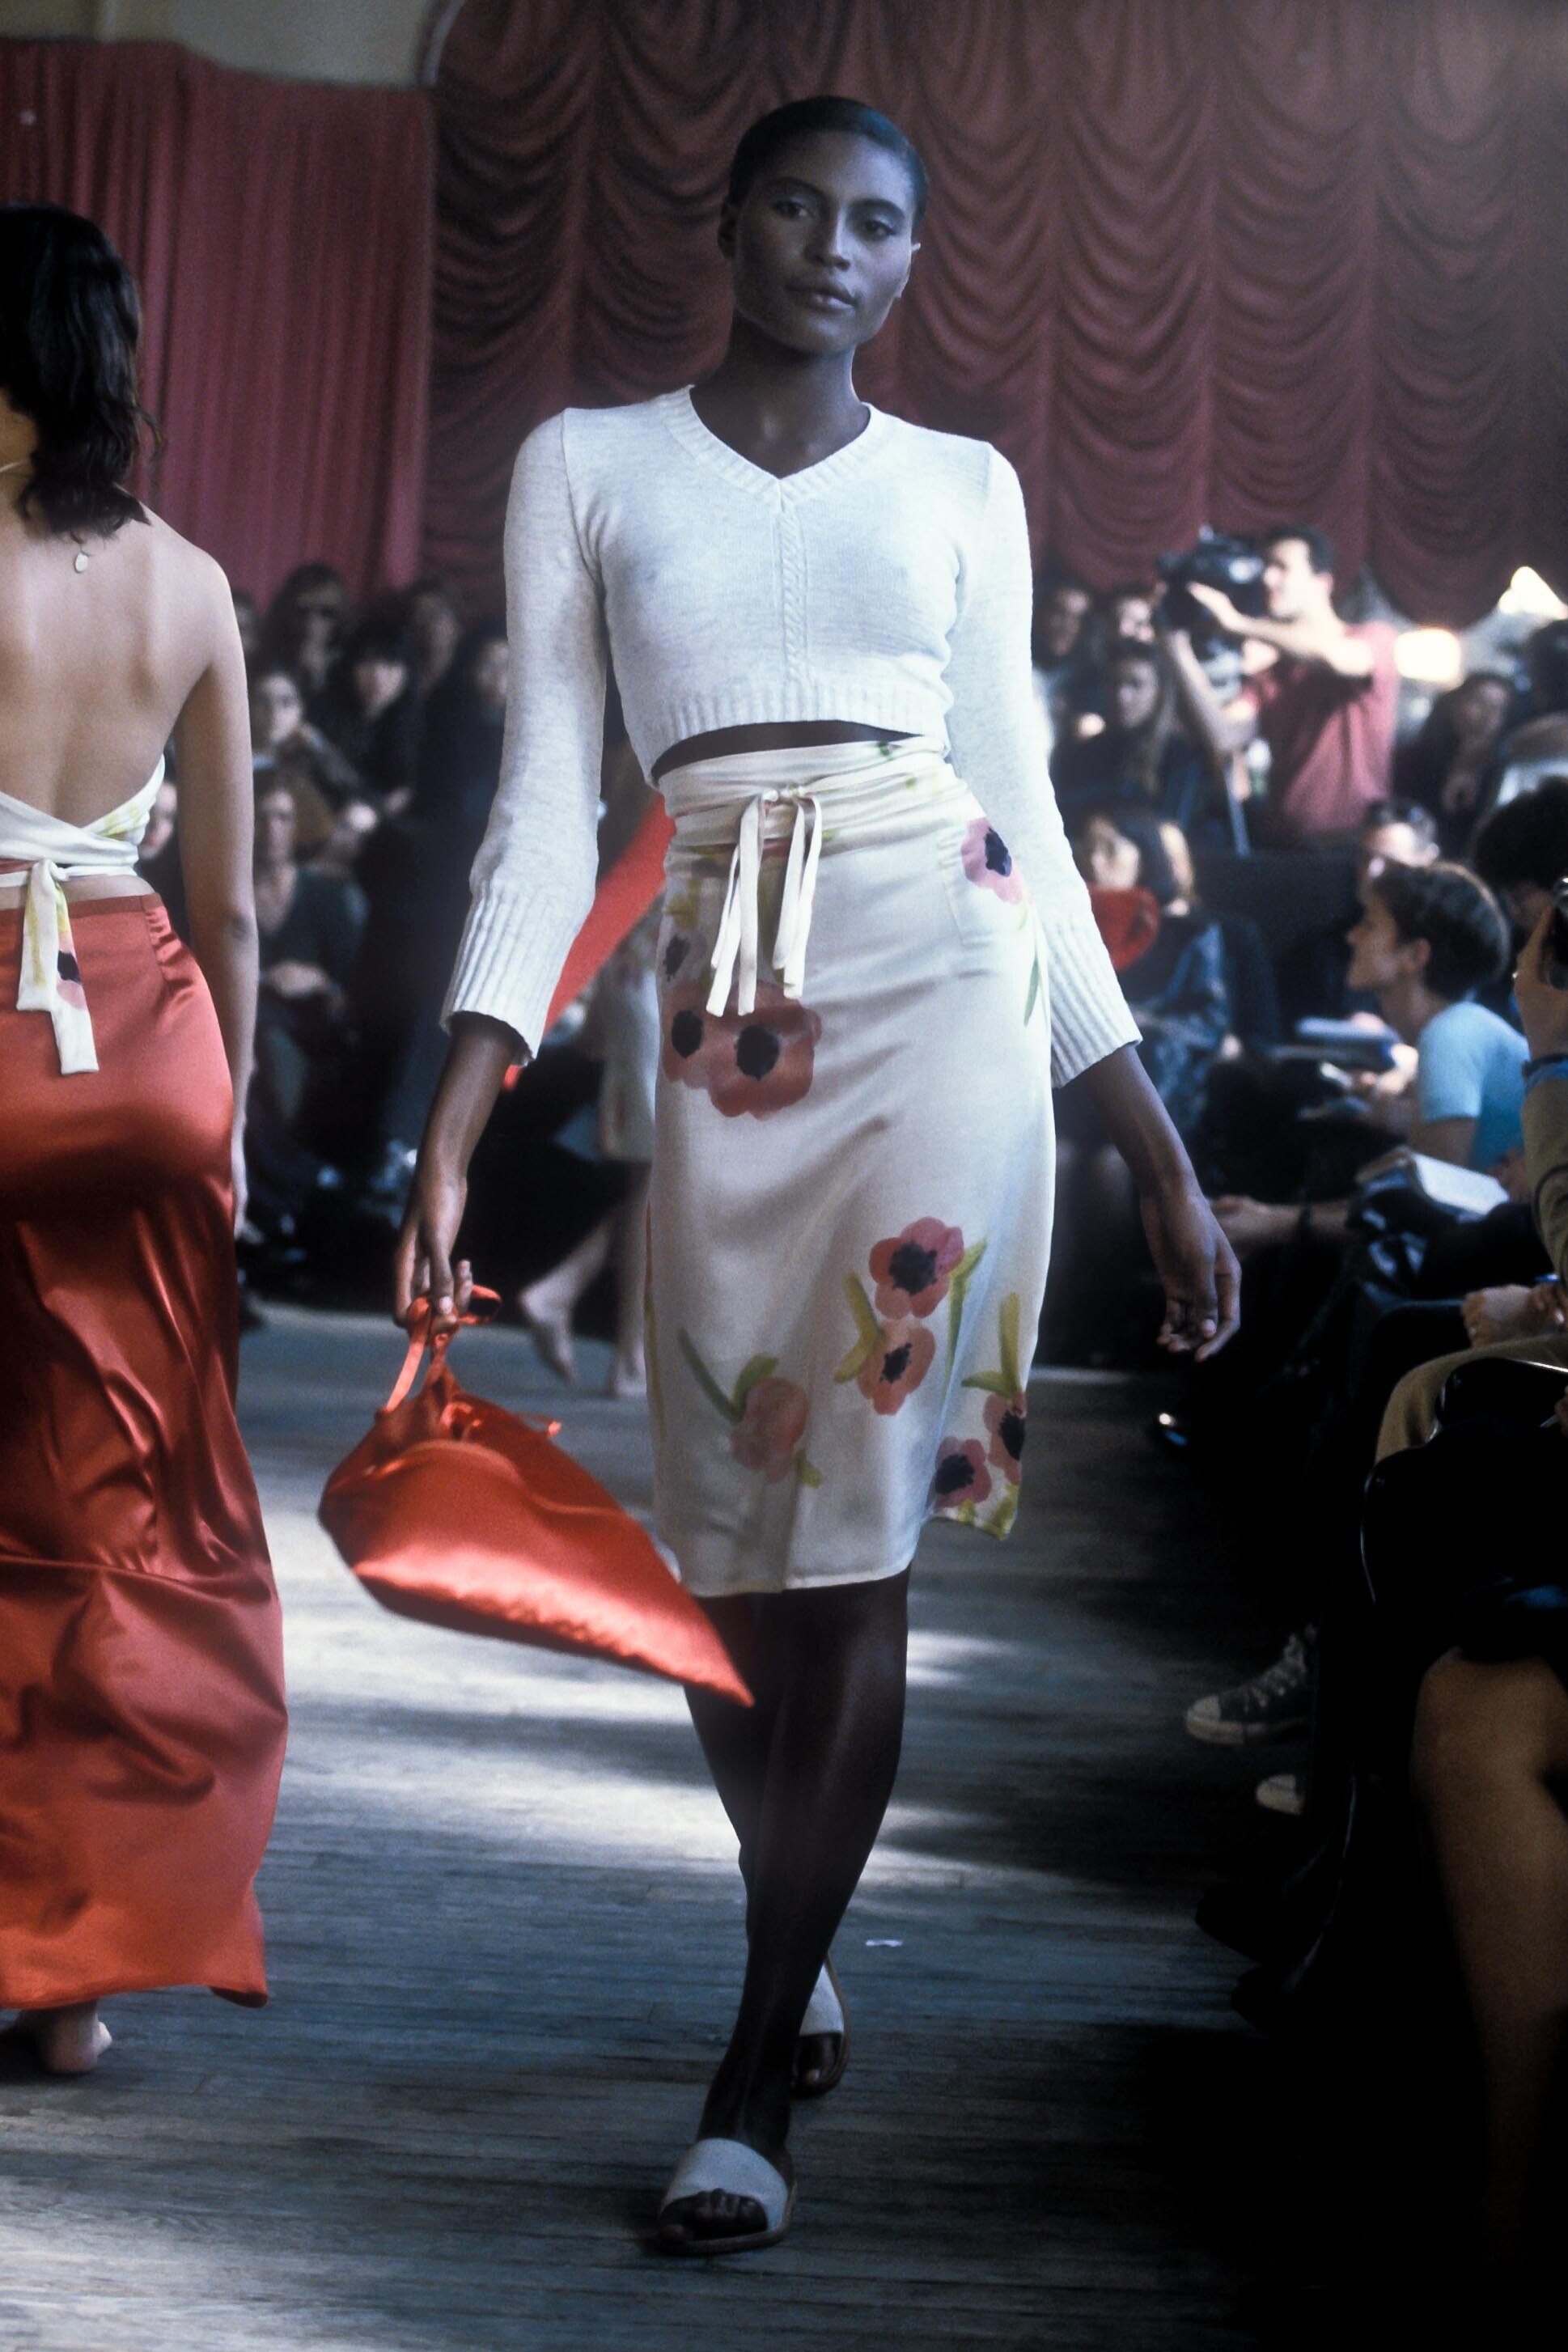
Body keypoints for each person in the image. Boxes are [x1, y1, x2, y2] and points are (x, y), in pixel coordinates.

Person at [396, 97, 1238, 2255]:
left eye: (875, 223)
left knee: (851, 1540)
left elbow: (1020, 803)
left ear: (907, 259)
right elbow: (547, 807)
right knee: (723, 1547)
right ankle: (802, 1914)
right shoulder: (586, 463)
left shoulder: (964, 486)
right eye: (797, 205)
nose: (833, 249)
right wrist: (460, 1109)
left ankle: (754, 2067)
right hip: (724, 1008)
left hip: (940, 969)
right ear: (731, 220)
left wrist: (1150, 1143)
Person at [0, 203, 286, 2071]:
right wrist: (230, 1126)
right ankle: (74, 1977)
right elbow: (234, 900)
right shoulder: (190, 582)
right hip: (149, 1043)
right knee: (113, 1504)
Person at [1181, 523, 1400, 845]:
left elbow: (1334, 658)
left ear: (1322, 582)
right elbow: (1222, 735)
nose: (1267, 579)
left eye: (1282, 567)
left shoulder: (1373, 637)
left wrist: (1239, 623)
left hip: (1352, 846)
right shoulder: (1271, 673)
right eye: (1266, 567)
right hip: (1283, 845)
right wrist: (1176, 647)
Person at [1052, 634, 1227, 844]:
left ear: (1159, 691)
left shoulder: (1180, 756)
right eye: (1115, 683)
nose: (1122, 696)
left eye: (1136, 685)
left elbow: (1171, 831)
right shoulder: (1084, 752)